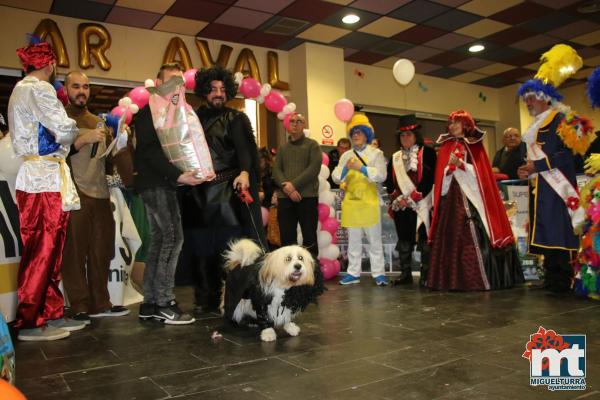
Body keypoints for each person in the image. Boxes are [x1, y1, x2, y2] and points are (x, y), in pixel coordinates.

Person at [8, 39, 87, 341]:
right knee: (43, 248)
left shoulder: (20, 90)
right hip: (42, 178)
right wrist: (72, 133)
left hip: (43, 175)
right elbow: (65, 129)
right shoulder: (38, 89)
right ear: (50, 64)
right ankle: (30, 319)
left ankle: (48, 312)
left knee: (50, 248)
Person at [189, 66, 266, 313]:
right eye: (213, 89)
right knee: (201, 250)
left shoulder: (236, 118)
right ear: (204, 91)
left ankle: (236, 298)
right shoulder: (191, 118)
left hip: (227, 193)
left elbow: (246, 151)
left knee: (230, 249)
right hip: (197, 193)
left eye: (223, 89)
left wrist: (244, 172)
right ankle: (205, 299)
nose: (218, 94)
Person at [134, 62, 205, 325]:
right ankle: (163, 301)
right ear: (157, 82)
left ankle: (151, 303)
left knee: (161, 241)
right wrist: (178, 175)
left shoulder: (168, 112)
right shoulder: (150, 112)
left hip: (161, 183)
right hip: (156, 183)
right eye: (170, 80)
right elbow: (150, 151)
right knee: (172, 239)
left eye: (179, 81)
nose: (176, 85)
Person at [60, 71, 130, 324]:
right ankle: (78, 305)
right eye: (76, 86)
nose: (82, 91)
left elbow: (117, 164)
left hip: (101, 194)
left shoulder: (101, 121)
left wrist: (122, 143)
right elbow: (47, 152)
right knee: (74, 253)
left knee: (102, 251)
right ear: (66, 88)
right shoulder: (58, 119)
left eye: (86, 86)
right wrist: (79, 141)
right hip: (72, 193)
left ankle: (101, 301)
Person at [427, 110, 523, 291]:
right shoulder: (446, 147)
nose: (453, 126)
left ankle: (478, 279)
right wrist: (449, 170)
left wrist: (461, 165)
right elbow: (441, 177)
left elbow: (482, 175)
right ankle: (451, 280)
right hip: (452, 198)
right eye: (451, 123)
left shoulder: (475, 145)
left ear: (466, 125)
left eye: (457, 123)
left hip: (473, 198)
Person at [517, 81, 581, 293]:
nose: (527, 103)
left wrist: (538, 165)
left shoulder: (561, 120)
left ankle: (562, 279)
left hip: (558, 187)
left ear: (544, 97)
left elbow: (567, 154)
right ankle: (551, 276)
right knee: (545, 230)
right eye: (525, 99)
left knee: (558, 231)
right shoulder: (536, 124)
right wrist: (527, 169)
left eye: (531, 98)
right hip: (541, 187)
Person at [332, 113, 388, 286]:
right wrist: (344, 171)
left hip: (370, 202)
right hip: (352, 203)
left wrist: (361, 168)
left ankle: (379, 274)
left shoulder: (376, 153)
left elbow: (381, 175)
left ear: (366, 134)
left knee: (374, 240)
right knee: (353, 240)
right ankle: (353, 272)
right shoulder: (345, 155)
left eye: (359, 132)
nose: (356, 135)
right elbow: (335, 176)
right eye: (353, 132)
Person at [385, 114, 436, 286]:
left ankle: (426, 275)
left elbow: (429, 179)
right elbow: (389, 182)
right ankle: (405, 274)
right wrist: (397, 198)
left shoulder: (427, 153)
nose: (405, 138)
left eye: (409, 134)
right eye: (402, 135)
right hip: (402, 205)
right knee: (404, 240)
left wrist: (412, 198)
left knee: (423, 239)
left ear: (416, 136)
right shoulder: (395, 157)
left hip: (421, 204)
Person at [272, 112, 322, 259]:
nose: (295, 124)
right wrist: (287, 189)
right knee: (287, 237)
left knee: (309, 237)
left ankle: (313, 274)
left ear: (304, 125)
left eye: (299, 121)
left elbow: (313, 169)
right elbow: (276, 170)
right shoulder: (282, 148)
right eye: (292, 121)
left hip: (307, 197)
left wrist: (292, 186)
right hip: (285, 198)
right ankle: (288, 272)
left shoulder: (312, 145)